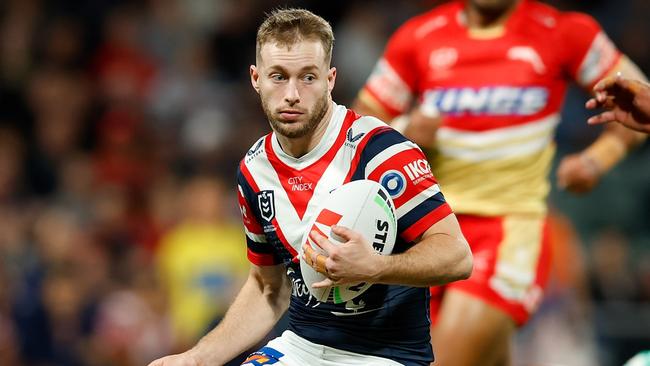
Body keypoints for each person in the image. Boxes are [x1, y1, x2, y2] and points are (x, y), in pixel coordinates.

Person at [148, 8, 472, 366]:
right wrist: (196, 358)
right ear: (255, 78)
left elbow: (457, 256)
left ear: (330, 79)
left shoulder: (381, 152)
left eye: (307, 77)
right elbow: (269, 287)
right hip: (300, 347)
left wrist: (377, 266)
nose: (291, 94)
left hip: (386, 356)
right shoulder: (253, 171)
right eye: (278, 76)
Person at [353, 0, 646, 365]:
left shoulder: (565, 32)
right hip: (427, 233)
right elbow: (359, 127)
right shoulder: (418, 37)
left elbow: (641, 98)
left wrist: (597, 159)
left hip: (508, 233)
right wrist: (405, 129)